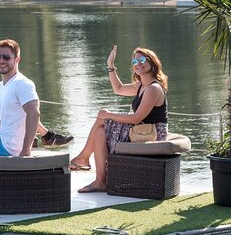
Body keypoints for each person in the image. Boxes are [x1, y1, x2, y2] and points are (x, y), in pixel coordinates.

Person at [71, 45, 169, 193]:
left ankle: (83, 158)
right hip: (139, 130)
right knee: (99, 133)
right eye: (135, 62)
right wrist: (110, 66)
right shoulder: (141, 85)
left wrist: (108, 114)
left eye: (142, 60)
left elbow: (136, 118)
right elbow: (119, 89)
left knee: (103, 118)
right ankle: (100, 181)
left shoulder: (153, 88)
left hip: (152, 133)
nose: (138, 64)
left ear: (152, 62)